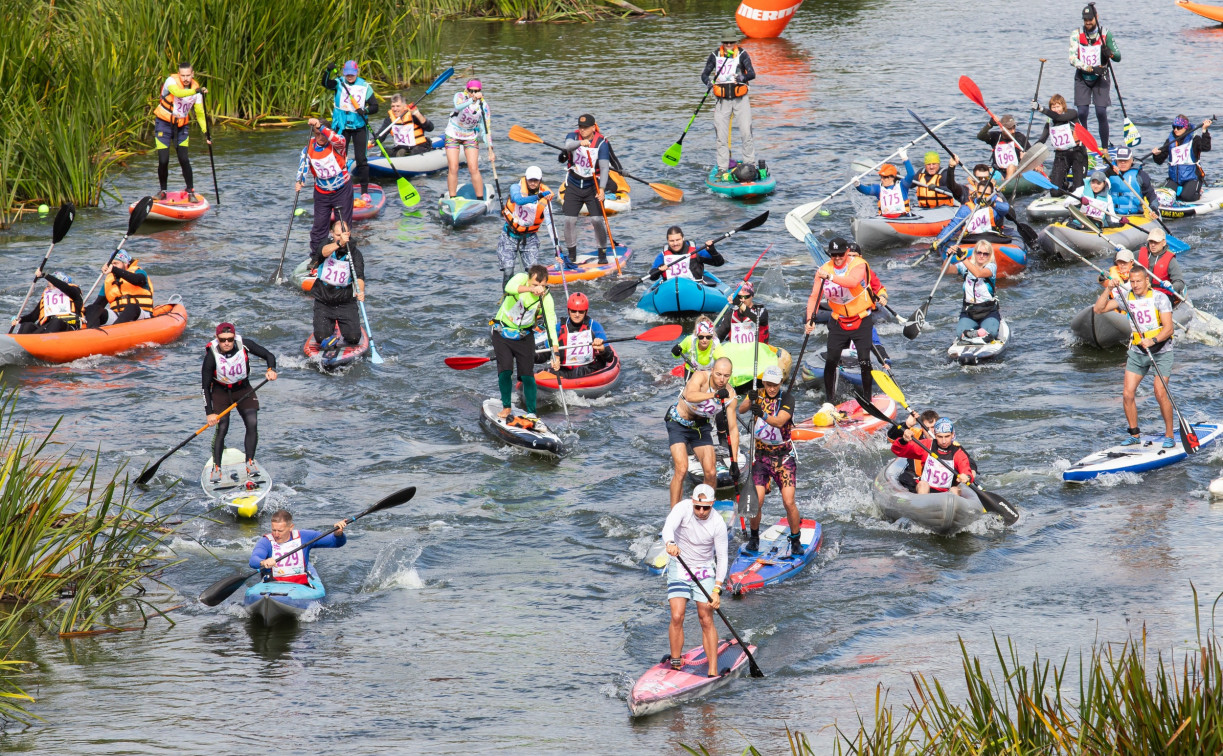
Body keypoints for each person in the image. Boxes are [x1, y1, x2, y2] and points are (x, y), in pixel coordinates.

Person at [1092, 266, 1176, 447]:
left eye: (1138, 281)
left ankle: (1169, 435)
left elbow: (1169, 329)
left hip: (1161, 351)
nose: (1135, 285)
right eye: (1132, 282)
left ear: (1147, 281)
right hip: (1138, 351)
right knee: (1127, 393)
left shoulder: (1159, 298)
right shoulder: (1127, 297)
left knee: (1160, 392)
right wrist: (1108, 289)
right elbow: (1099, 309)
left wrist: (1153, 340)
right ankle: (1134, 434)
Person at [804, 238, 888, 405]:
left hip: (861, 320)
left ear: (847, 252)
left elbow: (852, 282)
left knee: (864, 361)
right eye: (833, 255)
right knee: (831, 361)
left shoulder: (859, 264)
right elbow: (814, 297)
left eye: (840, 254)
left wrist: (830, 276)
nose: (837, 258)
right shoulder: (823, 270)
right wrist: (809, 319)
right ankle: (829, 402)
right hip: (839, 321)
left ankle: (868, 400)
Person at [660, 484, 728, 677]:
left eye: (705, 507)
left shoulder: (718, 523)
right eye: (697, 506)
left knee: (705, 617)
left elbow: (722, 557)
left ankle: (713, 671)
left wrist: (717, 589)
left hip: (704, 569)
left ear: (712, 504)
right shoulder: (682, 508)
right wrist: (670, 543)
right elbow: (668, 527)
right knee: (677, 615)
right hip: (680, 565)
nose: (701, 511)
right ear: (692, 502)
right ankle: (675, 663)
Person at [737, 365, 802, 555]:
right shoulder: (757, 394)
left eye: (776, 385)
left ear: (780, 383)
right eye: (768, 384)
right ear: (764, 383)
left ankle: (795, 539)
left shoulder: (787, 399)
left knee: (788, 502)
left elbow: (780, 421)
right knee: (756, 501)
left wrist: (762, 413)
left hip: (784, 459)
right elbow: (741, 410)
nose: (772, 388)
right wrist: (750, 400)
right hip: (761, 458)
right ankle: (754, 538)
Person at [202, 323, 277, 481]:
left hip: (243, 389)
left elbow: (269, 356)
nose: (226, 343)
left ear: (234, 337)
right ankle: (217, 468)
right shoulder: (211, 355)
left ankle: (250, 462)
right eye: (223, 340)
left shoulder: (245, 345)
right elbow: (205, 388)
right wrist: (209, 413)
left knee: (252, 422)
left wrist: (271, 369)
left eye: (230, 339)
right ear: (217, 338)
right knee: (222, 428)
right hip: (220, 392)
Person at [666, 357, 739, 507]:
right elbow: (690, 395)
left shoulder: (731, 395)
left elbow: (732, 430)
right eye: (718, 374)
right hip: (678, 423)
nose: (721, 379)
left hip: (701, 427)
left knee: (711, 473)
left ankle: (704, 509)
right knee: (682, 469)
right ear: (712, 371)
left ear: (730, 375)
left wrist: (735, 462)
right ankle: (674, 513)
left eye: (726, 376)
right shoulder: (701, 377)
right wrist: (714, 395)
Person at [493, 265, 560, 421]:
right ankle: (506, 406)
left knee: (527, 376)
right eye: (535, 284)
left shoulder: (546, 299)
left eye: (542, 285)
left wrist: (555, 354)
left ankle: (531, 413)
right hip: (502, 333)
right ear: (529, 280)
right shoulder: (520, 279)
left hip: (524, 336)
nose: (539, 289)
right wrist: (531, 289)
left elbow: (551, 326)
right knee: (506, 370)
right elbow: (509, 287)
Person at [702, 28, 758, 178]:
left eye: (731, 42)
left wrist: (742, 77)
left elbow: (752, 73)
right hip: (722, 102)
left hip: (741, 100)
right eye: (726, 42)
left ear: (735, 42)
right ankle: (722, 168)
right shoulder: (715, 55)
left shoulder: (742, 54)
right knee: (721, 136)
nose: (728, 45)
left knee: (746, 133)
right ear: (722, 42)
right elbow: (704, 74)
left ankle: (750, 165)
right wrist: (708, 82)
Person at [296, 118, 354, 254]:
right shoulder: (308, 148)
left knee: (343, 226)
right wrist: (299, 180)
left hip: (342, 190)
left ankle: (343, 254)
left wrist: (320, 127)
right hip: (321, 193)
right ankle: (317, 256)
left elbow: (338, 139)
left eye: (323, 134)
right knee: (319, 227)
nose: (320, 138)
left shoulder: (337, 144)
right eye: (317, 134)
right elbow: (303, 166)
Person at [152, 62, 210, 199]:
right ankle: (163, 191)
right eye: (182, 75)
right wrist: (197, 91)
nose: (185, 78)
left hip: (181, 126)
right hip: (163, 125)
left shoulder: (196, 91)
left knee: (184, 159)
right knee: (163, 160)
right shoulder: (171, 81)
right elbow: (178, 93)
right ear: (179, 74)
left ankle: (190, 191)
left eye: (188, 75)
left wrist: (206, 132)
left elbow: (200, 113)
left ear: (192, 74)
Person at [321, 60, 378, 199]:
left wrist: (365, 111)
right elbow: (325, 83)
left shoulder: (364, 86)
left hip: (359, 127)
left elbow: (375, 106)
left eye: (352, 74)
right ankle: (340, 188)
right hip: (342, 127)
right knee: (339, 158)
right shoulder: (339, 83)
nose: (350, 76)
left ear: (357, 72)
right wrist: (328, 71)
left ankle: (364, 192)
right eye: (347, 74)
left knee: (361, 159)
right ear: (343, 73)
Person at [560, 114, 612, 264]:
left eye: (586, 127)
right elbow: (567, 146)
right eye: (580, 127)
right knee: (569, 220)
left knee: (596, 220)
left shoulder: (602, 143)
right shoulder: (573, 136)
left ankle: (602, 254)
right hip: (574, 184)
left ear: (593, 127)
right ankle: (572, 255)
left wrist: (602, 189)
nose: (582, 130)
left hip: (592, 186)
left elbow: (604, 168)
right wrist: (580, 143)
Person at [1069, 3, 1120, 148]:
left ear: (1096, 17)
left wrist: (1109, 53)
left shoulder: (1105, 34)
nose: (1088, 22)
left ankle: (1104, 149)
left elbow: (1118, 57)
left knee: (1100, 112)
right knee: (1082, 112)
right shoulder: (1076, 34)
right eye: (1085, 20)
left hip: (1101, 77)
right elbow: (1072, 59)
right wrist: (1090, 68)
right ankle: (1085, 147)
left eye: (1090, 19)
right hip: (1083, 76)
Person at [249, 509, 347, 585]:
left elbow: (335, 542)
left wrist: (338, 534)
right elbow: (253, 560)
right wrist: (263, 562)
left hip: (300, 584)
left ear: (291, 527)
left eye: (280, 531)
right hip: (272, 583)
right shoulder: (266, 541)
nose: (276, 534)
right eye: (274, 530)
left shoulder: (305, 537)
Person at [309, 219, 366, 348]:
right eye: (337, 235)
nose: (340, 237)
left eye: (343, 235)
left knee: (353, 338)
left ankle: (349, 327)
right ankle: (326, 329)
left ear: (349, 234)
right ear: (332, 233)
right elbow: (322, 252)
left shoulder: (355, 253)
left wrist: (361, 291)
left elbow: (359, 277)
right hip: (324, 299)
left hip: (345, 300)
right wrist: (339, 243)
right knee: (321, 338)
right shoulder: (326, 244)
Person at [890, 418, 975, 497]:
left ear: (952, 435)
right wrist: (903, 440)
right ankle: (922, 504)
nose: (944, 441)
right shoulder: (926, 445)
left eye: (947, 436)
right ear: (935, 435)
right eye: (940, 437)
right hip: (925, 489)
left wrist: (967, 477)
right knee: (923, 484)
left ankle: (950, 507)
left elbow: (966, 470)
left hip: (946, 492)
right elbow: (898, 450)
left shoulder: (957, 453)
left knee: (955, 490)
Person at [498, 166, 554, 285]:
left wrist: (556, 247)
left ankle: (531, 294)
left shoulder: (546, 198)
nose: (533, 183)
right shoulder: (515, 187)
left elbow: (550, 225)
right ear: (526, 179)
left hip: (529, 238)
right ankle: (507, 295)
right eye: (530, 180)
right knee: (508, 272)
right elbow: (518, 200)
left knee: (533, 274)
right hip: (509, 236)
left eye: (536, 180)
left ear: (540, 180)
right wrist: (539, 196)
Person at [942, 159, 1016, 243]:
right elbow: (951, 186)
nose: (983, 180)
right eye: (980, 178)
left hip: (993, 234)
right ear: (973, 179)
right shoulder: (965, 191)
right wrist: (951, 168)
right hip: (971, 235)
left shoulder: (996, 193)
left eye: (986, 178)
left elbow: (1012, 215)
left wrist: (996, 204)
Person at [445, 80, 492, 202]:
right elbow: (458, 106)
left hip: (470, 136)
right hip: (453, 134)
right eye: (471, 91)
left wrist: (490, 149)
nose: (474, 93)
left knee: (473, 168)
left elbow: (486, 129)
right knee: (453, 167)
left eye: (476, 91)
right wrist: (472, 100)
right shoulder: (460, 96)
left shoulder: (484, 106)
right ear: (467, 90)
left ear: (480, 91)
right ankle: (452, 199)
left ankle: (480, 200)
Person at [948, 240, 1002, 342]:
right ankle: (977, 333)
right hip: (969, 312)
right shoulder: (964, 266)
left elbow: (978, 274)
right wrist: (948, 257)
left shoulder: (991, 267)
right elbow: (946, 270)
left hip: (988, 312)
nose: (981, 256)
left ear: (989, 256)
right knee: (959, 333)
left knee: (992, 333)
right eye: (979, 252)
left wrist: (962, 257)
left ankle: (979, 332)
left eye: (985, 254)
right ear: (975, 253)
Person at [1035, 94, 1088, 196]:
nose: (1056, 110)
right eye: (1053, 107)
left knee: (1078, 191)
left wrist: (1040, 108)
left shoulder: (1072, 114)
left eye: (1058, 106)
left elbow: (1059, 117)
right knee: (1055, 192)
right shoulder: (1050, 122)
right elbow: (1042, 139)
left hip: (1078, 154)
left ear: (1063, 106)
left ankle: (1075, 187)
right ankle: (1064, 184)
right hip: (1061, 156)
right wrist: (1029, 152)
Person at [1151, 115, 1212, 203]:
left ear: (1185, 127)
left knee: (1186, 197)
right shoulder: (1170, 141)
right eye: (1174, 127)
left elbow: (1206, 147)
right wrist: (1156, 155)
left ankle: (1198, 191)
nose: (1175, 130)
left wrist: (1204, 130)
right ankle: (1179, 191)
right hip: (1174, 179)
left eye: (1179, 127)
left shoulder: (1194, 139)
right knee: (1164, 197)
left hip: (1192, 177)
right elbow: (1159, 161)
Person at [84, 251, 153, 328]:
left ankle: (114, 331)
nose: (112, 266)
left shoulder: (139, 272)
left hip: (140, 314)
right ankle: (93, 332)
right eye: (111, 264)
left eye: (116, 263)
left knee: (131, 307)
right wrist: (83, 311)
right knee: (92, 308)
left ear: (125, 264)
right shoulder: (109, 281)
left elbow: (138, 280)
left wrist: (114, 269)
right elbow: (99, 304)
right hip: (118, 315)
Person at [553, 292, 611, 379]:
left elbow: (609, 357)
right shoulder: (559, 327)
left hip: (588, 368)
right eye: (573, 311)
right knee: (543, 372)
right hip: (565, 370)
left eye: (580, 312)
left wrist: (602, 349)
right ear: (568, 311)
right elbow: (545, 353)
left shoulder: (594, 326)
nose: (577, 315)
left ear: (585, 312)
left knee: (579, 371)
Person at [886, 409, 941, 493]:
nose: (930, 431)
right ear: (922, 427)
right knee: (909, 479)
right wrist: (907, 425)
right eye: (926, 428)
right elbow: (891, 437)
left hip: (936, 480)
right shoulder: (914, 434)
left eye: (933, 427)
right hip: (915, 478)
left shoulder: (945, 439)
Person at [12, 271, 82, 334]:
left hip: (68, 327)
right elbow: (33, 317)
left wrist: (45, 275)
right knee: (27, 325)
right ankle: (19, 341)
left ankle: (46, 341)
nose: (48, 284)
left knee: (56, 321)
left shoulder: (74, 293)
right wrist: (20, 320)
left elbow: (64, 287)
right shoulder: (48, 296)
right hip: (48, 328)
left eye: (51, 282)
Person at [649, 226, 724, 283]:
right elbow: (652, 277)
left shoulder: (696, 251)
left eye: (678, 240)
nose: (675, 243)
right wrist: (659, 270)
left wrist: (712, 251)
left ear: (683, 238)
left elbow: (719, 263)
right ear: (667, 241)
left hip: (695, 286)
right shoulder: (663, 256)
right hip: (670, 288)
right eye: (672, 241)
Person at [1106, 146, 1159, 216]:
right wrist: (1106, 173)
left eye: (1126, 160)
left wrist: (1153, 208)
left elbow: (1151, 194)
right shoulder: (1108, 173)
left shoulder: (1140, 175)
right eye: (1120, 160)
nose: (1123, 162)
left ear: (1131, 160)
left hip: (1134, 215)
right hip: (1111, 214)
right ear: (1116, 161)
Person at [976, 114, 1030, 181]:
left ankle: (1006, 185)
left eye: (1014, 128)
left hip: (1016, 171)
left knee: (1011, 167)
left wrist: (1025, 158)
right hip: (999, 171)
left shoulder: (1020, 137)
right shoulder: (996, 137)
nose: (1013, 131)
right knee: (983, 169)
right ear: (1001, 128)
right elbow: (980, 136)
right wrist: (990, 124)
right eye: (1009, 129)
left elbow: (1032, 154)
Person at [1135, 228, 1185, 299]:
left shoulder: (1171, 260)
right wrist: (1122, 253)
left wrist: (1172, 286)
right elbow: (1124, 260)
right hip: (1142, 293)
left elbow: (1180, 282)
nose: (1153, 245)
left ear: (1163, 243)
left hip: (1162, 295)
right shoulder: (1139, 253)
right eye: (1151, 242)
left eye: (1156, 242)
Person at [715, 281, 768, 346]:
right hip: (736, 351)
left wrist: (739, 304)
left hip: (757, 351)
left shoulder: (761, 311)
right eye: (740, 297)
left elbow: (757, 319)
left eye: (746, 297)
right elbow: (719, 337)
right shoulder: (731, 315)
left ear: (752, 296)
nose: (743, 300)